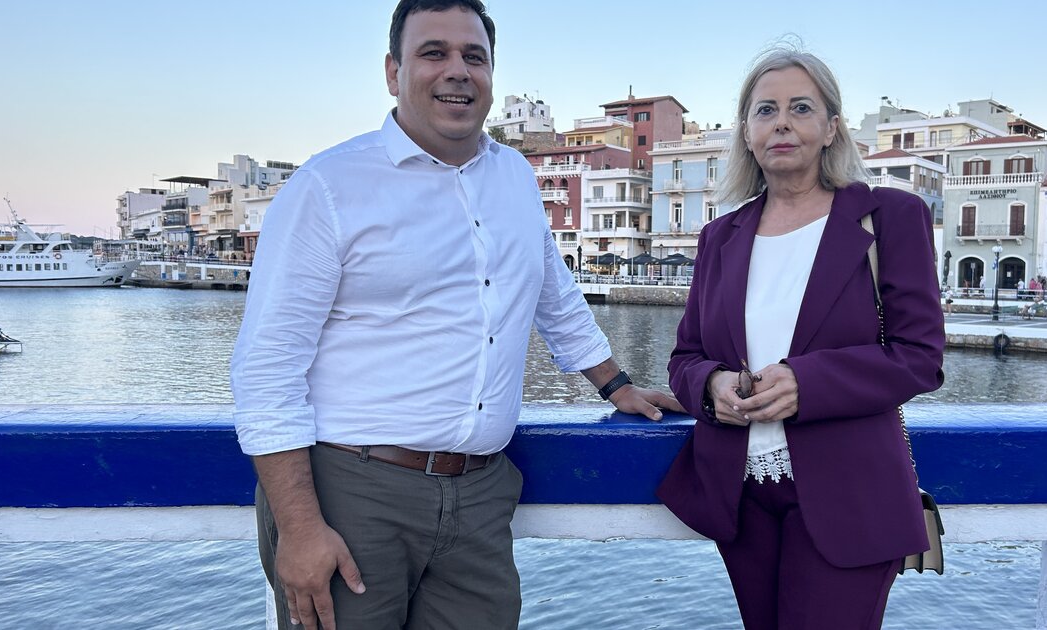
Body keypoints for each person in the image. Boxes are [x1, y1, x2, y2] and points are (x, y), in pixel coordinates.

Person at [230, 2, 683, 629]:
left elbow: (553, 294)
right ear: (393, 72)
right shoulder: (329, 187)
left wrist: (616, 385)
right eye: (433, 53)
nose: (458, 71)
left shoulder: (515, 175)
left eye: (475, 56)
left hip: (480, 496)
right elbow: (267, 365)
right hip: (353, 492)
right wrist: (300, 527)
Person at [655, 44, 945, 630]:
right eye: (765, 110)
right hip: (740, 495)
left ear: (832, 127)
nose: (781, 122)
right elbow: (686, 357)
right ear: (746, 132)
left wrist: (804, 384)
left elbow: (920, 357)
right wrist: (711, 386)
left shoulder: (890, 216)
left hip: (850, 494)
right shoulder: (719, 236)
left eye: (801, 107)